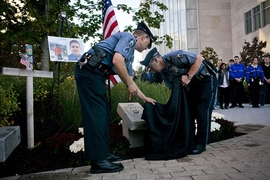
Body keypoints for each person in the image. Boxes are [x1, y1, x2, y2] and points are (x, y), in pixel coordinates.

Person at [74, 22, 157, 174]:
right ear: (142, 37)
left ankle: (104, 154)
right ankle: (98, 161)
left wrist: (144, 98)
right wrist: (129, 84)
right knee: (96, 114)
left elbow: (130, 79)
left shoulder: (129, 55)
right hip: (89, 72)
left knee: (103, 113)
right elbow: (117, 62)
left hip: (95, 74)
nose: (146, 48)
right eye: (147, 44)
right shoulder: (129, 38)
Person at [140, 47, 217, 160]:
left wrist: (189, 76)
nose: (151, 70)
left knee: (202, 111)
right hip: (192, 85)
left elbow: (199, 58)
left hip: (206, 79)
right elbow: (173, 89)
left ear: (156, 60)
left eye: (151, 67)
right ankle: (191, 141)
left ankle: (201, 143)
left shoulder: (175, 57)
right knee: (190, 111)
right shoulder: (165, 73)